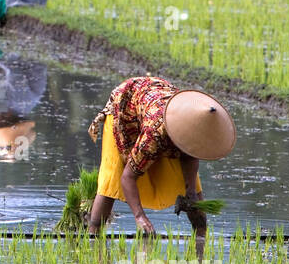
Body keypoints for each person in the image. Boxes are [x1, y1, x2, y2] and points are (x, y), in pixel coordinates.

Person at [86, 77, 236, 237]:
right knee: (112, 179)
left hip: (156, 100)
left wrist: (190, 191)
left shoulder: (195, 127)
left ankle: (201, 236)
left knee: (194, 193)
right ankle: (93, 234)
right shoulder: (154, 135)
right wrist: (139, 216)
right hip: (125, 109)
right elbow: (127, 177)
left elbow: (190, 160)